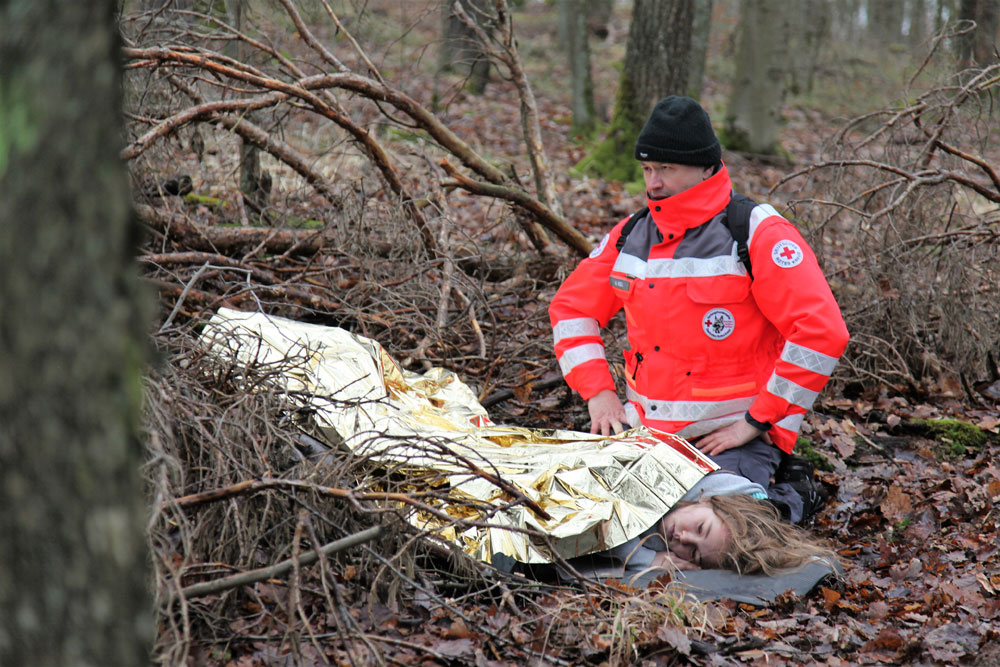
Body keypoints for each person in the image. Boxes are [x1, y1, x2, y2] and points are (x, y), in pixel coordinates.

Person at [548, 95, 850, 524]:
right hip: (643, 433)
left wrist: (756, 421)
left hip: (730, 439)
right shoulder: (631, 235)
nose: (653, 183)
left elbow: (822, 332)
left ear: (706, 167)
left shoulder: (756, 232)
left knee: (712, 534)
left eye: (666, 169)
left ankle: (789, 494)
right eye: (648, 169)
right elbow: (571, 310)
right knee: (578, 518)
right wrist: (599, 396)